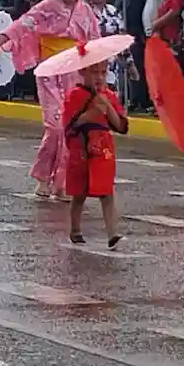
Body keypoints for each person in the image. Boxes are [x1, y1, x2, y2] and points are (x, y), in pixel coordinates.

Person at [0, 0, 100, 200]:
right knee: (54, 125)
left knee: (72, 128)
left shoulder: (86, 11)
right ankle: (43, 176)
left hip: (75, 73)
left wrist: (98, 73)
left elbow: (95, 41)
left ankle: (62, 182)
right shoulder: (46, 7)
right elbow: (20, 25)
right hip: (49, 71)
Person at [63, 59, 127, 248]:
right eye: (94, 72)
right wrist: (89, 114)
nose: (99, 77)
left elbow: (120, 126)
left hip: (103, 149)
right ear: (83, 72)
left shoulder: (108, 95)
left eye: (103, 72)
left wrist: (108, 108)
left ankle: (112, 234)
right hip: (82, 149)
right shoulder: (75, 95)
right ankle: (75, 230)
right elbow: (70, 125)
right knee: (79, 193)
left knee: (106, 192)